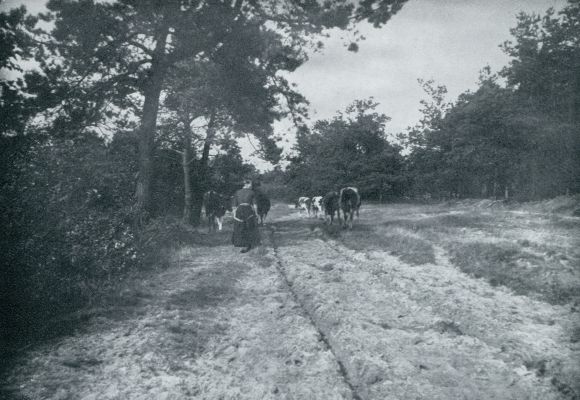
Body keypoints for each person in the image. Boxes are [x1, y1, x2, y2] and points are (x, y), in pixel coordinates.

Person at [231, 179, 261, 253]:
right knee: (249, 227)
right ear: (247, 184)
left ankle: (240, 244)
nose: (251, 186)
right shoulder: (252, 192)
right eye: (251, 184)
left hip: (239, 210)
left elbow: (234, 206)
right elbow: (255, 205)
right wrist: (257, 214)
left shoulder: (237, 192)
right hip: (248, 210)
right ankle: (249, 245)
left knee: (239, 227)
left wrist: (234, 214)